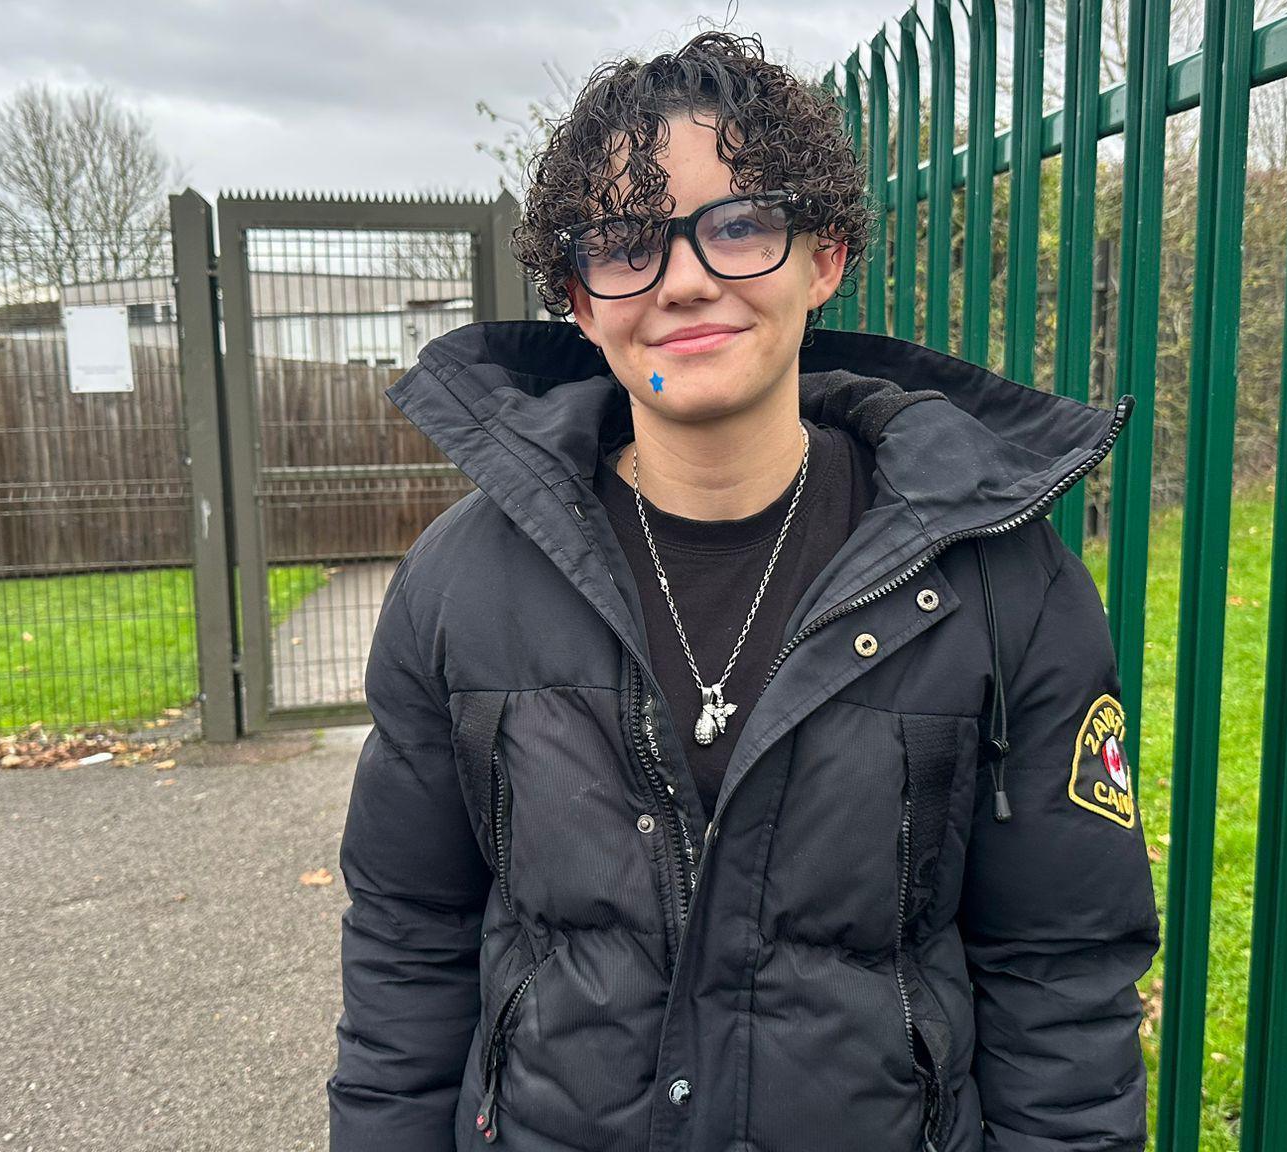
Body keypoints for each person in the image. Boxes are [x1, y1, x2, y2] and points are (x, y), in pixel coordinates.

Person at [327, 28, 1159, 1152]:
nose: (682, 281)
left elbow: (1059, 970)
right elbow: (406, 939)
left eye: (737, 225)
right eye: (624, 242)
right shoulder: (458, 586)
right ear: (577, 297)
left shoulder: (997, 583)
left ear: (823, 258)